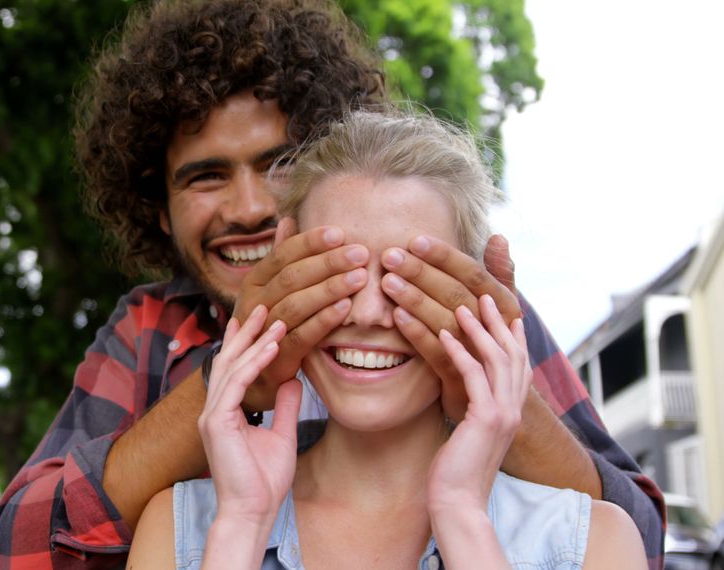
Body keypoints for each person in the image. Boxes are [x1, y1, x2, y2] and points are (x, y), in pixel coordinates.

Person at [0, 1, 665, 568]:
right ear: (157, 207)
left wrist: (493, 403)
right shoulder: (151, 331)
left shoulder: (473, 309)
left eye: (279, 163)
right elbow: (24, 544)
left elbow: (630, 528)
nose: (250, 206)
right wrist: (234, 376)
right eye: (206, 176)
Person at [127, 109, 648, 569]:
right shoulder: (176, 530)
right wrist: (241, 524)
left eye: (410, 280)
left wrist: (462, 514)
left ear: (474, 296)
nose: (370, 312)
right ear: (286, 278)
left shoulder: (595, 541)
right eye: (338, 276)